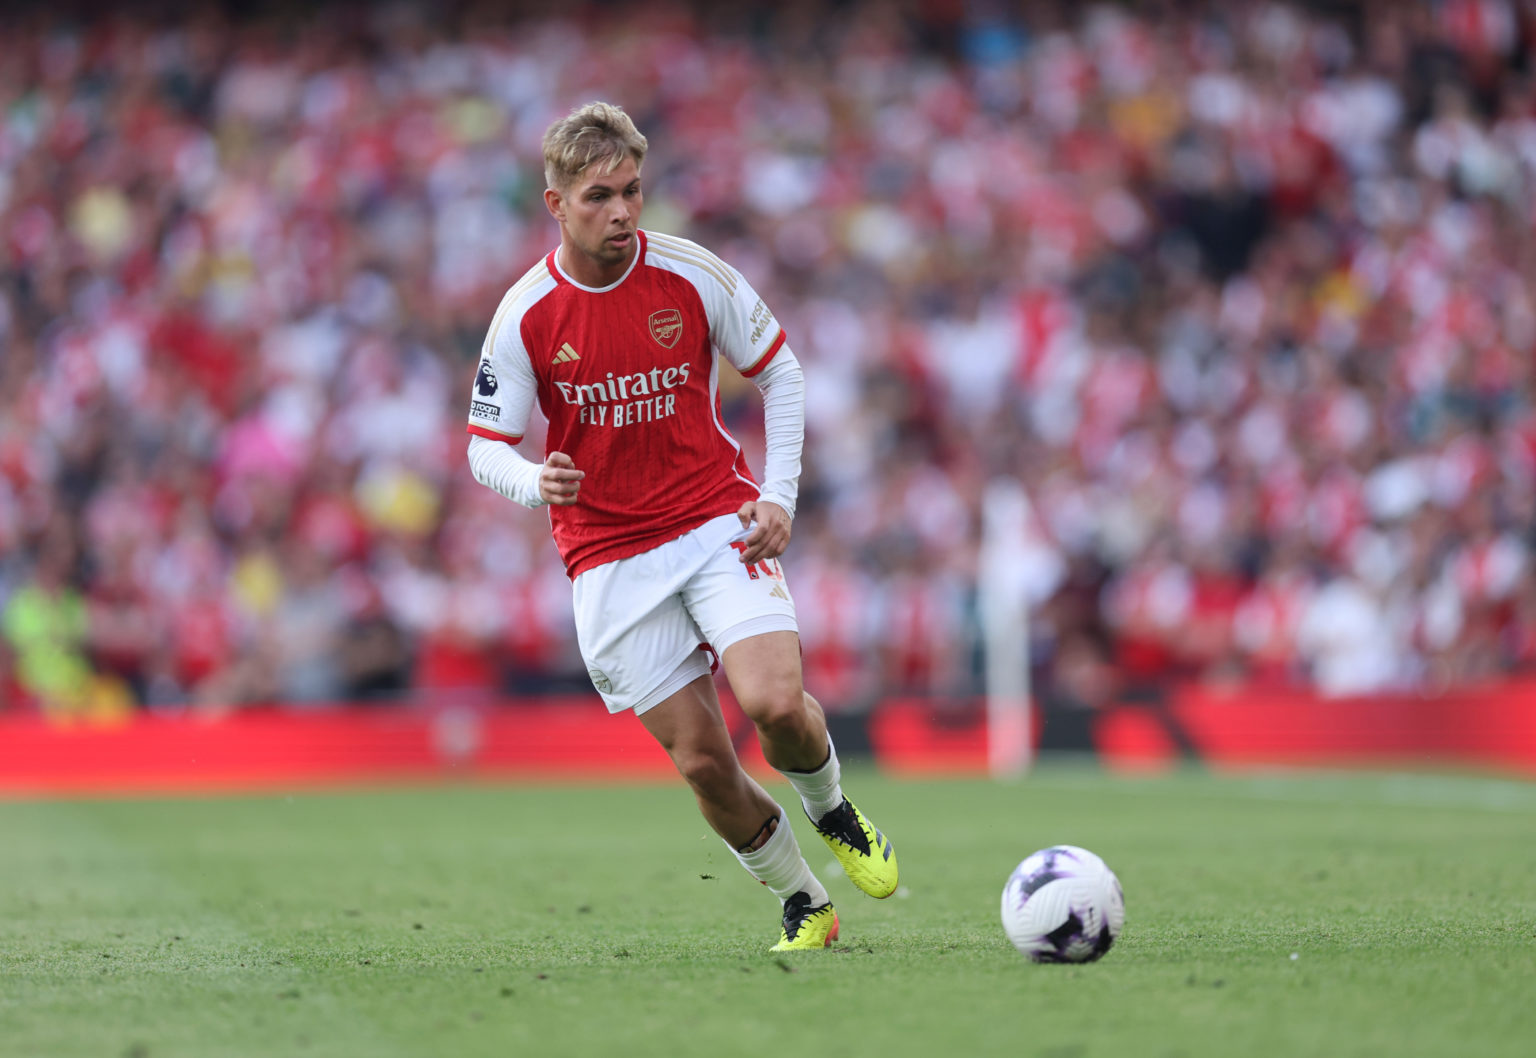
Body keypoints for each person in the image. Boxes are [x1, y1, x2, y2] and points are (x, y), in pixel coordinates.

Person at [464, 101, 897, 951]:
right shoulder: (524, 314)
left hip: (714, 520)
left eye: (632, 191)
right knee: (703, 761)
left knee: (775, 704)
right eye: (600, 196)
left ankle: (832, 808)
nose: (623, 211)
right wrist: (530, 479)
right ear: (555, 205)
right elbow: (484, 444)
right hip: (607, 559)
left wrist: (779, 495)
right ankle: (806, 901)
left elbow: (784, 373)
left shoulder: (692, 274)